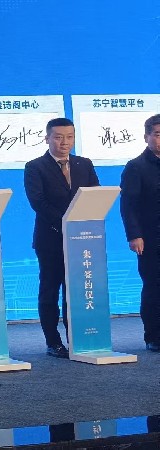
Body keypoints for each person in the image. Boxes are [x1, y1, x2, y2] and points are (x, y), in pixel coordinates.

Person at [23, 117, 100, 358]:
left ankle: (77, 339)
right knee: (50, 290)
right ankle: (53, 342)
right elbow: (38, 202)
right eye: (58, 137)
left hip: (81, 241)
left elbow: (94, 196)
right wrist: (67, 223)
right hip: (51, 239)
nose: (64, 142)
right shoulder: (35, 167)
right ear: (47, 138)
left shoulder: (84, 164)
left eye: (69, 137)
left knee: (75, 291)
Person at [119, 114, 160, 352]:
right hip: (151, 238)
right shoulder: (136, 166)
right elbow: (128, 205)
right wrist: (134, 235)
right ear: (146, 137)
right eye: (157, 134)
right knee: (154, 286)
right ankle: (153, 336)